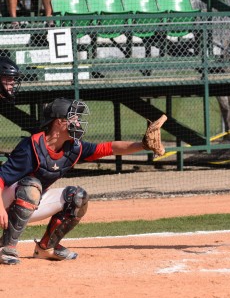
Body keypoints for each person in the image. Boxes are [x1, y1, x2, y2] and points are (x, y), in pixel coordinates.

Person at [0, 98, 160, 265]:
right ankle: (6, 247)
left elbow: (108, 148)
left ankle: (47, 247)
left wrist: (143, 145)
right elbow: (1, 177)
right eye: (73, 118)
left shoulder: (74, 147)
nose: (77, 122)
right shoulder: (31, 147)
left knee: (77, 197)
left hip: (29, 202)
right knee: (32, 186)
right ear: (58, 122)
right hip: (5, 201)